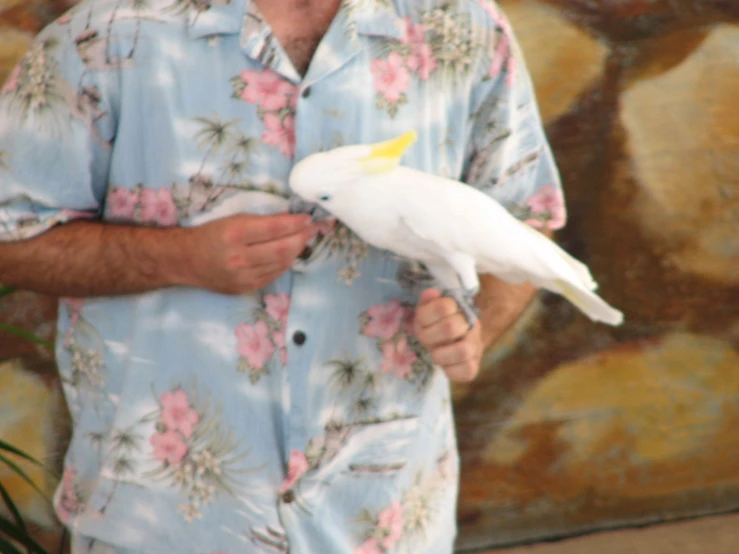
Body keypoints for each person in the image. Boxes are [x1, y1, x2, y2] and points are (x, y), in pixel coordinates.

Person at [0, 0, 567, 552]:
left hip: (384, 518)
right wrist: (179, 258)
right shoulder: (103, 33)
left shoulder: (463, 24)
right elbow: (9, 235)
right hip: (165, 521)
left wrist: (475, 330)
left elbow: (527, 217)